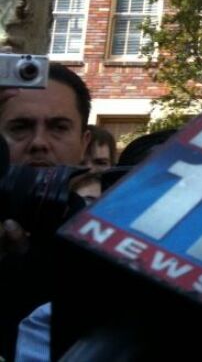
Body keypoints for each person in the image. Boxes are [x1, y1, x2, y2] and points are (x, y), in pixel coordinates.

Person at [0, 64, 93, 360]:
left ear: (84, 143)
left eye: (58, 127)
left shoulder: (113, 248)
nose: (39, 143)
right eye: (20, 127)